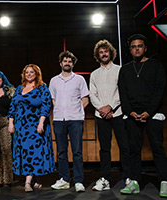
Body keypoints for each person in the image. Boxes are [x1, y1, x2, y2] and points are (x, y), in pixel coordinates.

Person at [118, 34, 167, 197]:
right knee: (134, 150)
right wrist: (130, 111)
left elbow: (160, 91)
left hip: (153, 113)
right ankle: (134, 182)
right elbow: (123, 93)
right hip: (132, 114)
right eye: (133, 46)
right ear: (130, 50)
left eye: (139, 46)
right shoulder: (125, 69)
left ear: (145, 48)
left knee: (158, 149)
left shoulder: (156, 66)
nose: (136, 49)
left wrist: (149, 111)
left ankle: (164, 182)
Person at [89, 39, 130, 191]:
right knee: (104, 149)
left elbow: (122, 92)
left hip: (118, 113)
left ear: (110, 52)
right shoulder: (94, 74)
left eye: (106, 51)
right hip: (101, 115)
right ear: (97, 55)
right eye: (101, 52)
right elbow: (92, 94)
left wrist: (111, 107)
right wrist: (102, 109)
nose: (104, 54)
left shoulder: (120, 70)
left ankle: (128, 177)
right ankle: (105, 179)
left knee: (124, 147)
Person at [8, 64, 54, 192]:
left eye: (31, 72)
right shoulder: (19, 88)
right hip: (21, 128)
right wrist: (11, 123)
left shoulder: (42, 88)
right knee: (25, 153)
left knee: (33, 153)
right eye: (26, 72)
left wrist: (41, 123)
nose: (28, 74)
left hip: (34, 127)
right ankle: (37, 179)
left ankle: (27, 182)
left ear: (36, 74)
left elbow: (46, 106)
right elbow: (13, 106)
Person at [49, 50, 89, 192]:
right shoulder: (54, 80)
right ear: (61, 63)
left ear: (73, 64)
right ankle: (64, 179)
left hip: (76, 119)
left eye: (70, 61)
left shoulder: (79, 79)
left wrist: (76, 110)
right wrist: (60, 108)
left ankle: (78, 181)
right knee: (61, 152)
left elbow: (85, 99)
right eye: (65, 61)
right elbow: (53, 99)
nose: (67, 63)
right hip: (59, 119)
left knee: (77, 151)